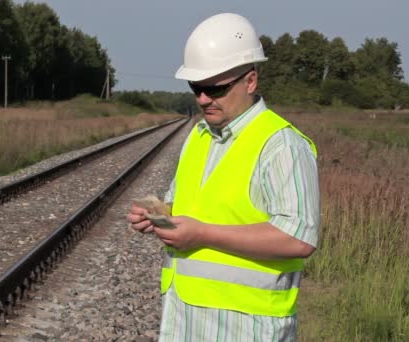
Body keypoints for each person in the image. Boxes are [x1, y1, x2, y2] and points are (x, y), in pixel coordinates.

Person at [126, 13, 320, 341]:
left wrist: (202, 234)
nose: (203, 99)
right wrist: (159, 215)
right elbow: (192, 204)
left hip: (247, 327)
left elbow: (298, 238)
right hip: (188, 319)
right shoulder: (200, 135)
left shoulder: (281, 144)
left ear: (251, 81)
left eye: (215, 88)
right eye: (196, 88)